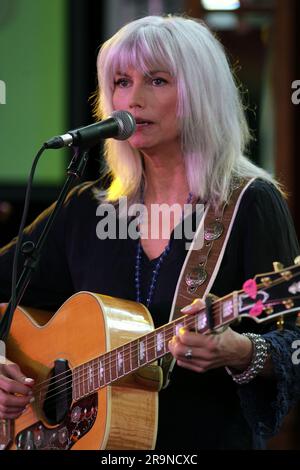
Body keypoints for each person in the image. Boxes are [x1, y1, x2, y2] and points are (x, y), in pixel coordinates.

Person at [0, 15, 299, 450]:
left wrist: (242, 351)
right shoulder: (87, 207)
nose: (133, 99)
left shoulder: (250, 204)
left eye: (157, 81)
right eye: (121, 81)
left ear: (202, 97)